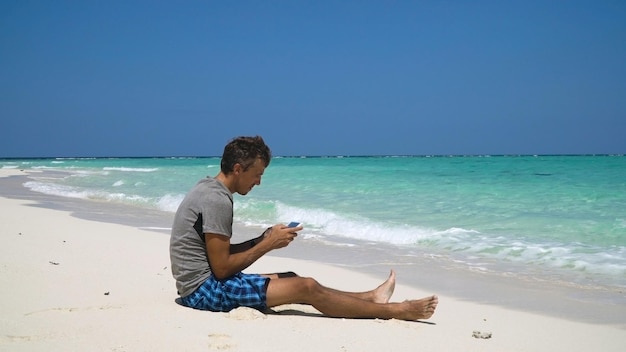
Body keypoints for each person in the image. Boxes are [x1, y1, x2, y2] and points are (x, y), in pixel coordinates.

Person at [169, 135, 438, 321]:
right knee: (306, 286)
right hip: (204, 292)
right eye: (257, 174)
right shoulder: (217, 199)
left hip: (203, 283)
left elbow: (218, 254)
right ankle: (398, 311)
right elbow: (222, 268)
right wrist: (269, 244)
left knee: (290, 276)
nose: (259, 182)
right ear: (238, 169)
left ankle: (370, 297)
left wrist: (261, 239)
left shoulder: (209, 188)